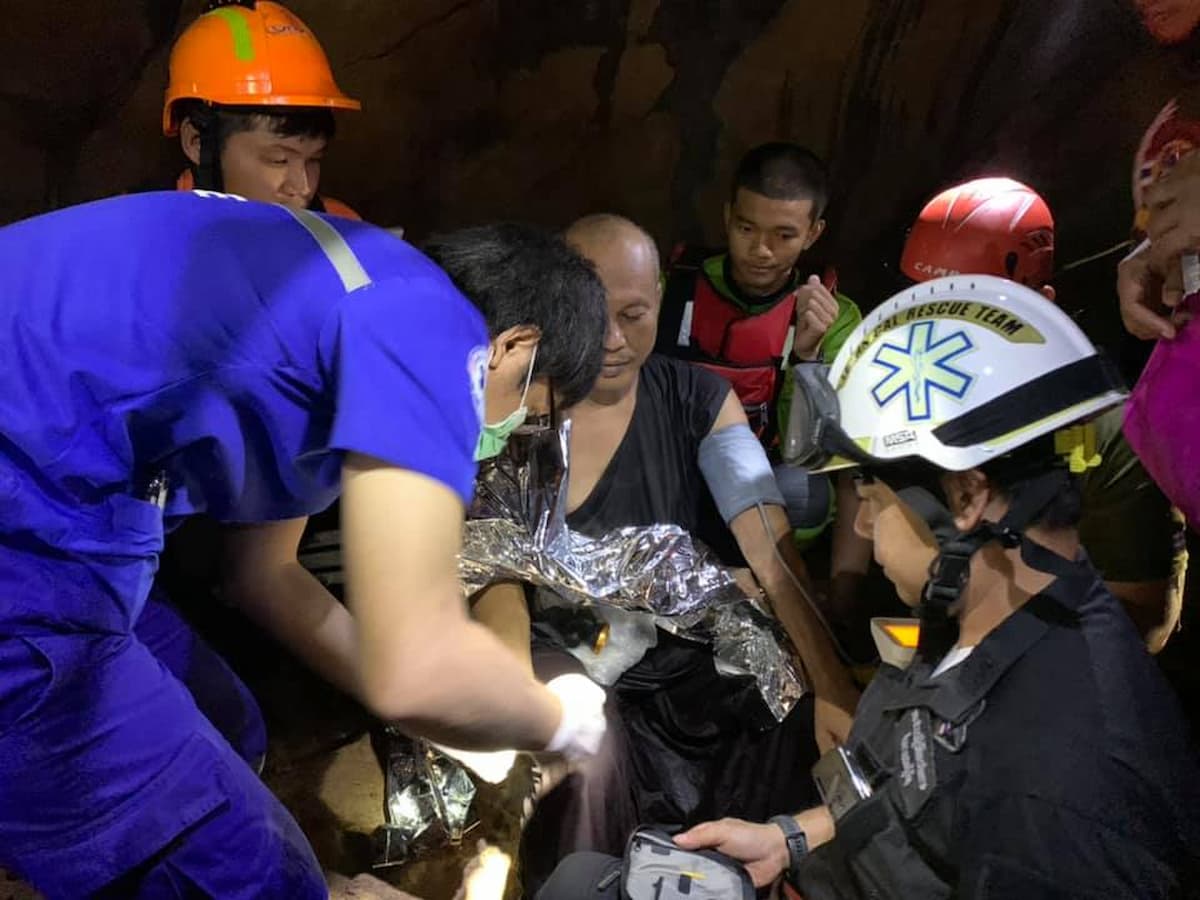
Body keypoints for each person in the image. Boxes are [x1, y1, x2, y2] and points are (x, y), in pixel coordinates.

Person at [0, 191, 610, 898]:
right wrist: (562, 722)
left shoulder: (350, 294)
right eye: (528, 414)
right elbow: (417, 665)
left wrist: (446, 716)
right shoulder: (432, 327)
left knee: (230, 724)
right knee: (260, 876)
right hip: (29, 537)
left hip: (71, 506)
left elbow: (264, 573)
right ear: (513, 347)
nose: (501, 441)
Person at [546, 275, 1200, 898]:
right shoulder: (984, 621)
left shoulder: (1057, 787)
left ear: (966, 498)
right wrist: (792, 839)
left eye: (871, 494)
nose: (860, 522)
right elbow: (921, 787)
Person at [470, 214, 859, 892]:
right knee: (585, 746)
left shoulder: (698, 398)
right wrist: (511, 693)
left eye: (635, 314)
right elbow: (492, 568)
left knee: (777, 694)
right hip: (565, 645)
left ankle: (734, 876)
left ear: (659, 299)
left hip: (677, 645)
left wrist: (832, 686)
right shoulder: (519, 405)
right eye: (593, 317)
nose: (614, 342)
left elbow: (766, 543)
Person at [829, 177, 1185, 652]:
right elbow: (863, 478)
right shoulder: (899, 380)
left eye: (966, 311)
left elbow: (1141, 620)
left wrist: (975, 655)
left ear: (1039, 304)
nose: (936, 340)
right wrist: (842, 608)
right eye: (923, 307)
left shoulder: (1105, 429)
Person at [656, 143, 862, 536]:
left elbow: (812, 451)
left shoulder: (834, 317)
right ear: (728, 216)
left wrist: (807, 358)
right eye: (746, 228)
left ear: (813, 233)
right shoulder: (671, 289)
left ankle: (767, 575)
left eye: (784, 235)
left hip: (763, 471)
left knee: (807, 494)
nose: (761, 251)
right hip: (669, 463)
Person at [162, 0, 362, 217]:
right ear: (197, 143)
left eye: (314, 160)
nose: (304, 188)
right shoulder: (145, 236)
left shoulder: (341, 231)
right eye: (279, 160)